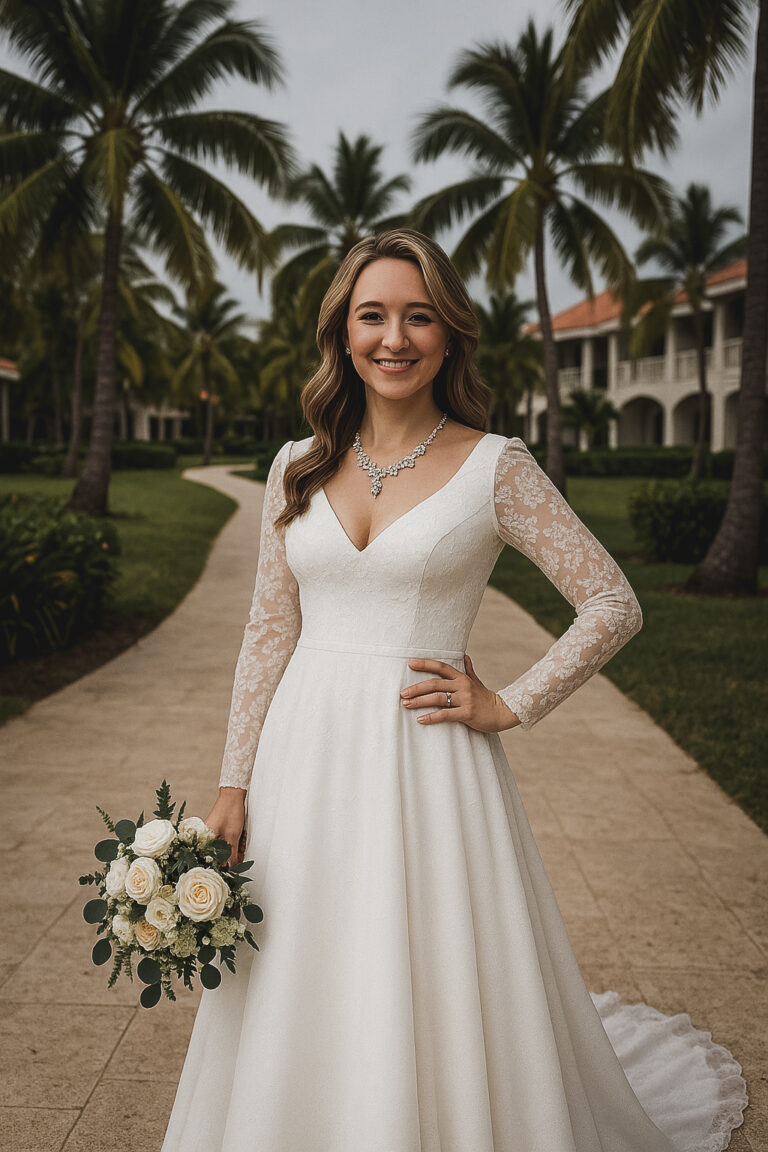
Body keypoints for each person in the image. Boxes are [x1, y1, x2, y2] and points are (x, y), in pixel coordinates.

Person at [161, 229, 747, 1151]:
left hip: (426, 762)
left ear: (449, 335)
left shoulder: (495, 465)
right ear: (342, 333)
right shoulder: (296, 464)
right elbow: (267, 632)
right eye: (372, 316)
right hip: (302, 760)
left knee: (422, 958)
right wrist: (234, 782)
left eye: (419, 317)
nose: (394, 338)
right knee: (303, 953)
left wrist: (511, 703)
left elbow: (611, 601)